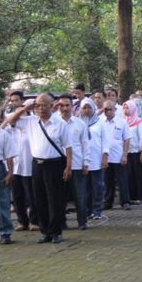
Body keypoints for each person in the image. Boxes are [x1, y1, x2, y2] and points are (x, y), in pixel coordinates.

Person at [3, 93, 73, 244]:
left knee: (55, 199)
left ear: (52, 105)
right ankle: (45, 231)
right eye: (38, 105)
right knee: (39, 199)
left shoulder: (59, 123)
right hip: (37, 165)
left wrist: (68, 167)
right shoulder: (31, 121)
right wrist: (25, 108)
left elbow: (68, 147)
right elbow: (11, 121)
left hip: (55, 164)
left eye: (44, 104)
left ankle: (56, 232)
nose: (41, 108)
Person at [3, 91, 38, 231]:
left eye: (17, 100)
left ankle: (34, 220)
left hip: (30, 165)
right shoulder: (11, 123)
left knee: (32, 195)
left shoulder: (33, 120)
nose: (14, 103)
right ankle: (22, 221)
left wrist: (25, 110)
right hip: (15, 166)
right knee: (17, 196)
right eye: (12, 101)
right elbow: (7, 123)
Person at [57, 94, 91, 230]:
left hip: (77, 163)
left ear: (72, 106)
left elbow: (85, 144)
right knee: (59, 196)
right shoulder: (54, 122)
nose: (64, 108)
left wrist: (86, 163)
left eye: (67, 105)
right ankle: (61, 222)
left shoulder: (80, 123)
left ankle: (82, 221)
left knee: (79, 195)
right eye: (62, 105)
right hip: (58, 164)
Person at [79, 99, 110, 220]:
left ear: (93, 108)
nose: (87, 110)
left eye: (89, 107)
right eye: (84, 108)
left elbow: (105, 140)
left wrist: (105, 156)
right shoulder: (78, 122)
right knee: (85, 187)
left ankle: (97, 210)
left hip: (97, 158)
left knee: (97, 186)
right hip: (83, 160)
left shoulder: (100, 122)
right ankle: (87, 210)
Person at [102, 100, 132, 211]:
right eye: (105, 109)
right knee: (107, 181)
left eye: (110, 109)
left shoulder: (122, 122)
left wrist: (125, 155)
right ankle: (108, 202)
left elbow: (127, 140)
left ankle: (125, 202)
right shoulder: (100, 122)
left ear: (115, 110)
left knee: (122, 180)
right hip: (105, 157)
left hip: (118, 156)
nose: (108, 111)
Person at [122, 100, 142, 204]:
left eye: (128, 108)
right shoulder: (122, 121)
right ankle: (130, 196)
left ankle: (139, 195)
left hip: (136, 152)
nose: (126, 110)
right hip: (126, 152)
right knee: (128, 175)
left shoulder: (138, 121)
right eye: (124, 108)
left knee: (137, 174)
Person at [0, 108, 18, 244]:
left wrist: (10, 173)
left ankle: (5, 232)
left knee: (3, 201)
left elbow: (10, 156)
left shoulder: (2, 134)